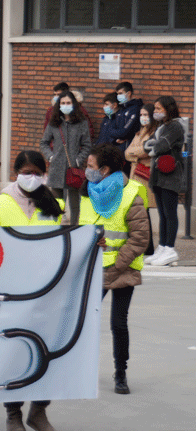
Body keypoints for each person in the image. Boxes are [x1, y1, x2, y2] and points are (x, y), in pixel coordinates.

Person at [0, 150, 64, 431]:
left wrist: (92, 242)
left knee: (50, 351)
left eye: (37, 173)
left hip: (47, 290)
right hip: (13, 291)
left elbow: (66, 243)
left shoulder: (55, 204)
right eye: (26, 172)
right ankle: (13, 413)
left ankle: (39, 411)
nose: (32, 178)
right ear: (16, 173)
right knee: (15, 351)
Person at [79, 144, 147, 395]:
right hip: (95, 268)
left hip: (122, 269)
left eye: (90, 166)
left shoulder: (132, 194)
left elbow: (140, 238)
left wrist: (117, 263)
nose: (86, 171)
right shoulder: (87, 192)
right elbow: (76, 227)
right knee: (84, 319)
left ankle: (121, 373)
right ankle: (79, 368)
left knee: (118, 323)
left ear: (105, 169)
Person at [144, 95, 185, 267]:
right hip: (158, 174)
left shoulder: (175, 126)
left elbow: (160, 146)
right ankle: (162, 246)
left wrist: (152, 148)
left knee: (170, 213)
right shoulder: (163, 126)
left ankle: (170, 249)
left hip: (170, 175)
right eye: (155, 108)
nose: (156, 112)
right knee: (162, 214)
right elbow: (147, 144)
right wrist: (152, 147)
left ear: (168, 109)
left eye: (159, 109)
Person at [40, 89, 91, 226]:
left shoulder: (82, 123)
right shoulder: (54, 122)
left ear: (73, 104)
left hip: (73, 170)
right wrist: (50, 157)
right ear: (59, 105)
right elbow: (44, 142)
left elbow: (87, 145)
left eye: (68, 102)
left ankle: (73, 229)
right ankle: (55, 229)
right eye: (63, 103)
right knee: (56, 204)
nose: (65, 105)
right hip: (56, 168)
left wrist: (78, 160)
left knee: (75, 205)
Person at [123, 105, 157, 254]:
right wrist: (136, 154)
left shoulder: (154, 132)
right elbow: (126, 153)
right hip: (135, 175)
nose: (143, 117)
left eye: (146, 114)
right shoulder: (139, 132)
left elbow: (146, 151)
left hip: (144, 177)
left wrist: (134, 154)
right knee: (139, 213)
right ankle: (143, 246)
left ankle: (148, 248)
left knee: (144, 213)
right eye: (141, 114)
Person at [106, 82, 143, 150]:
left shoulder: (135, 109)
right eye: (117, 94)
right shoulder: (121, 109)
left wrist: (120, 135)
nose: (118, 96)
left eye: (120, 93)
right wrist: (115, 140)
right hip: (117, 147)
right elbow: (110, 129)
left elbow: (125, 132)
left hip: (129, 148)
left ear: (128, 93)